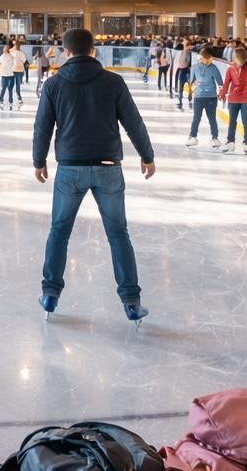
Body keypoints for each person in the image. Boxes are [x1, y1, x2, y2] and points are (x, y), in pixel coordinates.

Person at [31, 28, 156, 322]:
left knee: (59, 231)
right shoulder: (113, 82)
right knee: (118, 234)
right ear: (93, 50)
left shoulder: (54, 84)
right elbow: (133, 122)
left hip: (69, 169)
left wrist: (39, 160)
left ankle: (50, 295)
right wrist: (147, 155)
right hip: (108, 168)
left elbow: (42, 127)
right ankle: (131, 302)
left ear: (65, 51)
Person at [222, 46, 247, 155]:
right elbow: (226, 83)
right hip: (234, 98)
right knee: (232, 121)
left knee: (245, 121)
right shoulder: (231, 68)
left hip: (246, 98)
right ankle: (230, 141)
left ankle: (246, 143)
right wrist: (222, 94)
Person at [187, 46, 224, 149]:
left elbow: (220, 82)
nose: (201, 58)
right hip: (198, 97)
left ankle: (215, 137)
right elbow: (192, 81)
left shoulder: (213, 68)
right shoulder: (195, 67)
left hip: (211, 98)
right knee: (196, 118)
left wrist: (221, 93)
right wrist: (191, 93)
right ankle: (192, 136)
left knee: (212, 118)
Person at [0, 42, 27, 110]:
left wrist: (0, 71)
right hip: (9, 74)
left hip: (8, 74)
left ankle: (4, 100)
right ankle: (8, 100)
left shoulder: (9, 56)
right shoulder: (9, 56)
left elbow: (0, 65)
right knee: (9, 88)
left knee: (6, 88)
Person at [171, 39, 193, 109]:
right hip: (182, 70)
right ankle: (180, 101)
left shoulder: (189, 52)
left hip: (186, 71)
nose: (182, 42)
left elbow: (187, 61)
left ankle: (190, 100)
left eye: (184, 41)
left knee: (190, 86)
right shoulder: (182, 51)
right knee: (181, 86)